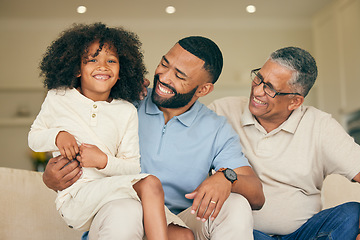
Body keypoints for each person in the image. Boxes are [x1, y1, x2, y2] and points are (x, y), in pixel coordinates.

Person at [42, 35, 265, 239]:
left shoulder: (216, 128)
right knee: (126, 210)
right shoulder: (125, 101)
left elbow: (256, 194)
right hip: (119, 213)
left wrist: (227, 177)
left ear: (203, 89)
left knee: (236, 205)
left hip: (179, 223)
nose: (163, 77)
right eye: (164, 64)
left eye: (179, 76)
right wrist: (51, 178)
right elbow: (74, 109)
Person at [28, 22, 193, 240]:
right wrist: (58, 136)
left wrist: (102, 160)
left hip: (117, 192)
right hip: (77, 197)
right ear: (77, 68)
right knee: (150, 183)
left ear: (121, 71)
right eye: (92, 59)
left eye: (111, 61)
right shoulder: (59, 97)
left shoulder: (125, 110)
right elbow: (34, 137)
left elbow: (132, 167)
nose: (103, 66)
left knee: (183, 236)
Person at [208, 46, 360, 239]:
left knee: (351, 214)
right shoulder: (222, 110)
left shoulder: (321, 126)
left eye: (270, 88)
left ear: (295, 102)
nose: (257, 90)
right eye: (258, 78)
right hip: (248, 233)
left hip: (305, 235)